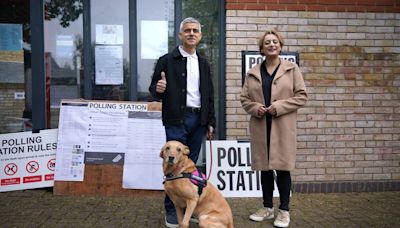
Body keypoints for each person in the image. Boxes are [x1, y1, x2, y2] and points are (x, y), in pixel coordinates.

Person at [149, 17, 216, 228]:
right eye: (187, 30)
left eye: (195, 30)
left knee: (190, 167)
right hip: (176, 119)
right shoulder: (166, 60)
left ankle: (190, 208)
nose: (191, 33)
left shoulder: (204, 63)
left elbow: (209, 95)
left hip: (199, 120)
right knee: (173, 165)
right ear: (180, 35)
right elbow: (154, 89)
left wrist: (210, 121)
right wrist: (158, 89)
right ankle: (171, 211)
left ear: (200, 36)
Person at [240, 28, 308, 228]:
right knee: (265, 170)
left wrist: (278, 106)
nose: (271, 44)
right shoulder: (252, 73)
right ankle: (267, 208)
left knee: (283, 169)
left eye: (275, 42)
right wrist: (255, 108)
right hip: (261, 126)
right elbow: (244, 99)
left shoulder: (292, 69)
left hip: (282, 127)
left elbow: (302, 96)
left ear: (280, 46)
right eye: (267, 42)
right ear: (261, 48)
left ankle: (284, 211)